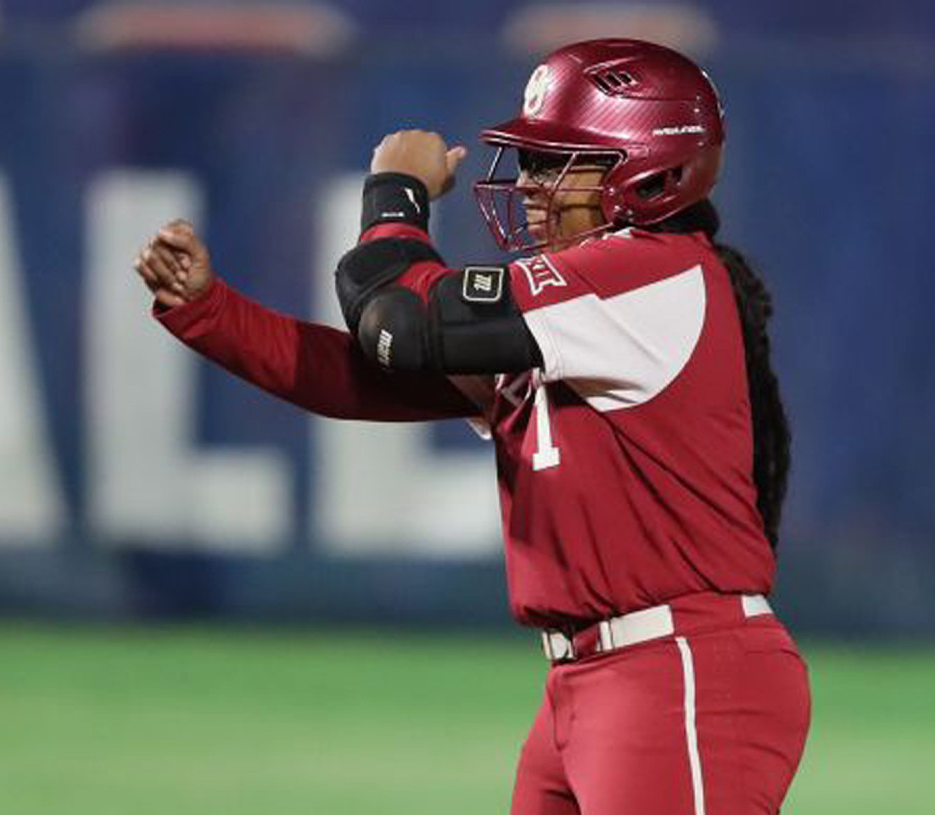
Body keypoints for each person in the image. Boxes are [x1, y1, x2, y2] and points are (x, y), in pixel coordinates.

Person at [135, 38, 810, 815]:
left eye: (558, 162)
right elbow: (361, 374)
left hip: (680, 669)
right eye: (530, 160)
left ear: (648, 171)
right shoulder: (582, 311)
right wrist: (209, 311)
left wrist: (396, 193)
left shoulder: (650, 272)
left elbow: (397, 319)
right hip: (588, 680)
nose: (528, 185)